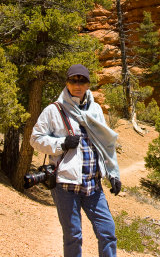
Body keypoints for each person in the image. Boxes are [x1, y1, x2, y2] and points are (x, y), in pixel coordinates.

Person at [30, 64, 121, 257]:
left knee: (108, 232)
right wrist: (62, 143)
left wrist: (113, 175)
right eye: (73, 80)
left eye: (82, 80)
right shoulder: (54, 110)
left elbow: (106, 145)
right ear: (67, 83)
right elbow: (35, 139)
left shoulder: (95, 109)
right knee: (73, 236)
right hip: (66, 186)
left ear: (88, 84)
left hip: (93, 186)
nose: (77, 85)